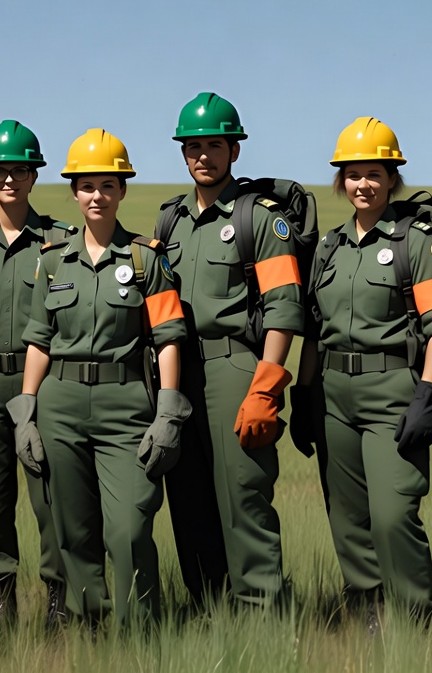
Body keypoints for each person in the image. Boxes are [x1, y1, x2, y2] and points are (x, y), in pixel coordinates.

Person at [11, 129, 189, 627]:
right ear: (73, 191)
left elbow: (168, 337)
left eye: (107, 185)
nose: (97, 196)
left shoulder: (146, 259)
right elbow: (39, 341)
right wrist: (25, 411)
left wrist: (169, 410)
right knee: (74, 531)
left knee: (130, 527)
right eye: (87, 186)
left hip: (126, 404)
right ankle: (88, 628)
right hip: (61, 406)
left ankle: (140, 634)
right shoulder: (51, 261)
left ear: (123, 190)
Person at [296, 116, 432, 618]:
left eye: (374, 173)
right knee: (347, 516)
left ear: (393, 178)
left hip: (394, 392)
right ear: (340, 181)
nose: (363, 184)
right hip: (333, 393)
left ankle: (416, 616)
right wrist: (303, 397)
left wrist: (426, 397)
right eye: (353, 174)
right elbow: (314, 330)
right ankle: (367, 610)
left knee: (393, 514)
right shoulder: (329, 247)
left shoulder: (418, 241)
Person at [155, 92, 303, 608]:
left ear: (234, 150)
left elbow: (284, 309)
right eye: (192, 146)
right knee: (189, 501)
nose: (203, 156)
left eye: (214, 145)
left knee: (244, 498)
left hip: (235, 367)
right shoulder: (168, 222)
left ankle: (262, 617)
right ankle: (207, 614)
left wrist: (265, 386)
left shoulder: (259, 219)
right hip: (178, 375)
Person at [0, 121, 73, 630]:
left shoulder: (58, 244)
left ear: (34, 177)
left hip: (42, 388)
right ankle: (1, 601)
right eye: (0, 171)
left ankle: (58, 598)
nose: (9, 180)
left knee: (49, 494)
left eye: (20, 171)